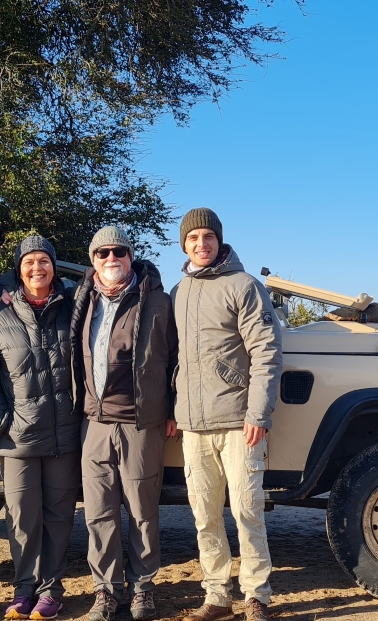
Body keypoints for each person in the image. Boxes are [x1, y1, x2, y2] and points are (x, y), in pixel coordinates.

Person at [170, 208, 282, 621]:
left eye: (207, 237)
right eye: (193, 238)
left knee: (247, 511)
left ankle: (257, 595)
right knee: (204, 515)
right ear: (184, 244)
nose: (201, 244)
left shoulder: (245, 285)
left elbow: (266, 353)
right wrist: (172, 409)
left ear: (219, 240)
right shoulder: (178, 291)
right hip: (193, 426)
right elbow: (171, 358)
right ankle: (217, 595)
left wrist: (258, 413)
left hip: (239, 422)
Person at [70, 226, 178, 621]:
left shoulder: (158, 301)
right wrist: (8, 293)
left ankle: (143, 588)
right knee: (98, 511)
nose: (111, 259)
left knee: (142, 510)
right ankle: (106, 590)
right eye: (102, 253)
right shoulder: (80, 299)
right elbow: (33, 298)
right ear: (93, 260)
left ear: (130, 256)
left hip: (140, 422)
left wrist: (173, 410)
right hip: (93, 424)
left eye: (119, 252)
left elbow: (177, 360)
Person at [0, 236, 81, 620]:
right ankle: (24, 590)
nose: (37, 268)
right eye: (29, 262)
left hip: (64, 436)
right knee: (22, 517)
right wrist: (2, 420)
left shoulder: (72, 309)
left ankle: (50, 591)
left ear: (54, 267)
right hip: (18, 437)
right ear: (19, 269)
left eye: (44, 261)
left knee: (58, 518)